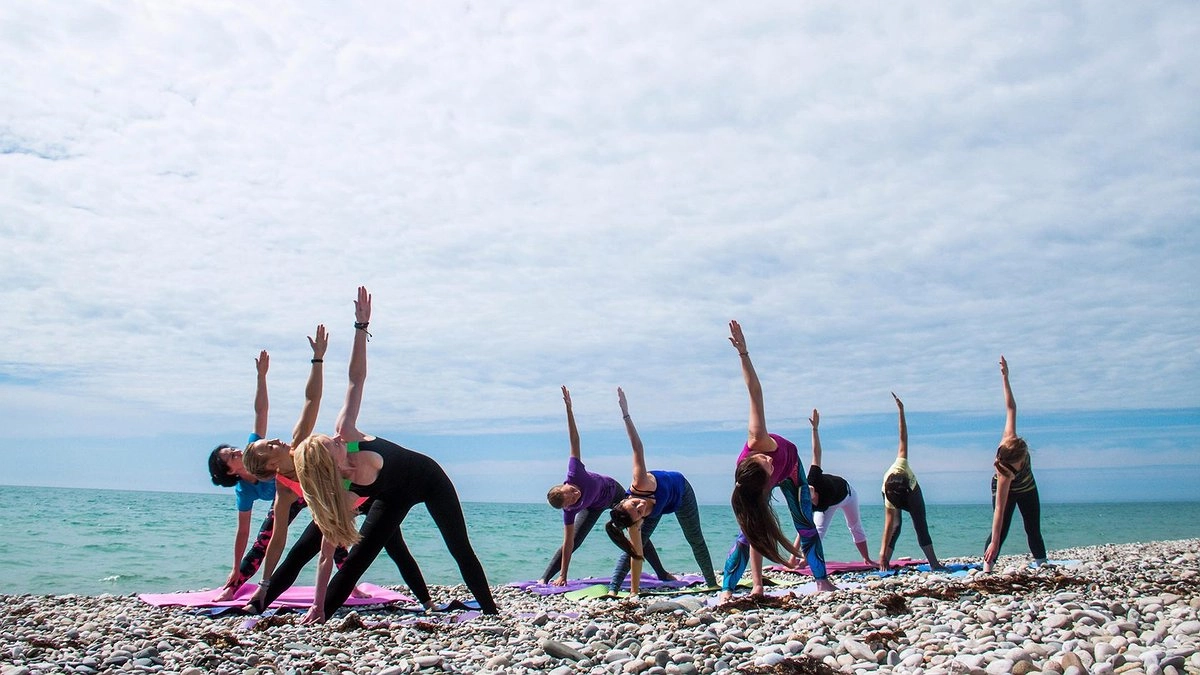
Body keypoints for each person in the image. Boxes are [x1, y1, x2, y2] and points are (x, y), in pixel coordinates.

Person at [248, 286, 497, 623]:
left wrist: (360, 328)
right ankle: (273, 608)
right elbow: (325, 555)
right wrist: (319, 606)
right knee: (353, 558)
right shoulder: (345, 492)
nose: (335, 439)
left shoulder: (348, 435)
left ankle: (491, 610)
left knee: (458, 546)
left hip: (428, 477)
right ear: (328, 465)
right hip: (389, 496)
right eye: (329, 445)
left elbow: (356, 379)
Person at [206, 341, 330, 601]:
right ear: (230, 471)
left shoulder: (257, 447)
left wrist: (261, 377)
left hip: (309, 485)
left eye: (233, 449)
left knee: (332, 531)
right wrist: (235, 567)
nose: (237, 451)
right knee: (264, 539)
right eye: (230, 456)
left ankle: (351, 586)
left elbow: (261, 411)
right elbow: (245, 533)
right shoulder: (247, 487)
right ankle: (234, 586)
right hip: (289, 494)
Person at [722, 320, 835, 601]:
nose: (769, 461)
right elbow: (755, 530)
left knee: (805, 524)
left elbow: (755, 393)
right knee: (746, 534)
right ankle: (728, 588)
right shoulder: (751, 490)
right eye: (768, 466)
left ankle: (822, 581)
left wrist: (743, 354)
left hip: (794, 469)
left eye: (765, 460)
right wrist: (743, 592)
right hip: (759, 487)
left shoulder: (757, 439)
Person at [541, 386, 674, 585]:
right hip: (594, 506)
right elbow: (568, 543)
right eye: (572, 500)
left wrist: (569, 410)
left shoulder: (574, 471)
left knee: (635, 527)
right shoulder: (569, 511)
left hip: (614, 492)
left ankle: (661, 573)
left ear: (565, 484)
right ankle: (545, 577)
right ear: (568, 506)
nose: (576, 494)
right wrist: (563, 575)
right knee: (575, 540)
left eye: (572, 492)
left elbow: (574, 439)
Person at [605, 387, 718, 597]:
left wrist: (626, 414)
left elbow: (637, 447)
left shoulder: (640, 482)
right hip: (661, 507)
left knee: (695, 538)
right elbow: (636, 555)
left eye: (634, 505)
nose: (640, 507)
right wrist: (633, 593)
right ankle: (613, 588)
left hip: (681, 492)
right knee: (634, 546)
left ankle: (712, 583)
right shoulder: (636, 521)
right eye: (639, 512)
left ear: (626, 499)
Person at [784, 409, 875, 568]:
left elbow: (816, 453)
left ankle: (867, 558)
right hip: (829, 505)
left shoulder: (813, 477)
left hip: (848, 495)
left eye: (808, 491)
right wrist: (792, 559)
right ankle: (805, 560)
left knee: (855, 526)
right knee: (817, 531)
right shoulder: (806, 503)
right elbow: (802, 528)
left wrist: (815, 429)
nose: (807, 494)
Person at [983, 356, 1047, 572]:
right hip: (1006, 493)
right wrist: (994, 542)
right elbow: (999, 511)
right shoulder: (1003, 474)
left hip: (1027, 487)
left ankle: (1042, 564)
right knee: (1000, 531)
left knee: (1033, 528)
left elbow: (1011, 407)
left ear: (1020, 460)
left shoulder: (1014, 441)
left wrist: (1005, 377)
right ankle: (987, 567)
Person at [879, 393, 946, 571]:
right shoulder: (888, 492)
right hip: (895, 491)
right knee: (896, 525)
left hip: (912, 492)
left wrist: (901, 411)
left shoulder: (903, 465)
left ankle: (934, 563)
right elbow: (887, 524)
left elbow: (903, 437)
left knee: (920, 524)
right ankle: (885, 563)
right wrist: (881, 554)